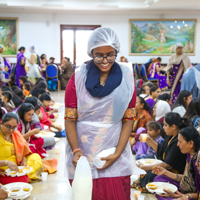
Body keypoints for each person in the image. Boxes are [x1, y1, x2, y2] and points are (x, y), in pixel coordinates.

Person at [65, 27, 137, 199]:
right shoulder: (78, 78)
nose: (105, 60)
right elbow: (69, 119)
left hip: (114, 146)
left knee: (116, 192)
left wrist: (118, 153)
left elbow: (128, 119)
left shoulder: (127, 77)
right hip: (84, 149)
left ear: (116, 52)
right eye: (99, 55)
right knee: (87, 191)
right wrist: (76, 150)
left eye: (110, 54)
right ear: (91, 53)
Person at [132, 112, 187, 192]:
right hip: (165, 167)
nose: (163, 128)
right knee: (148, 169)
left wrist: (144, 167)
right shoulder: (171, 137)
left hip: (174, 171)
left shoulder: (177, 142)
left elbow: (167, 165)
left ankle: (143, 187)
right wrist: (149, 140)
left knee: (151, 174)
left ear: (173, 127)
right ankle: (141, 185)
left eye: (165, 125)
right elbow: (160, 149)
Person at [153, 127, 200, 200]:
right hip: (184, 189)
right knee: (159, 179)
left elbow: (198, 194)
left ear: (191, 143)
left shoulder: (197, 162)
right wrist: (165, 172)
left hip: (193, 195)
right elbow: (184, 178)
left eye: (180, 142)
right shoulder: (189, 155)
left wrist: (182, 197)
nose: (177, 144)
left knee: (163, 194)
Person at [0, 113, 43, 184]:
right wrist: (6, 163)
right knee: (22, 179)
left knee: (35, 157)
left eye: (14, 127)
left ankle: (24, 175)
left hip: (17, 165)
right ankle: (26, 176)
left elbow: (22, 149)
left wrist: (23, 160)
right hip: (3, 170)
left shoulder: (15, 133)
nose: (11, 130)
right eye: (8, 126)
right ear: (1, 123)